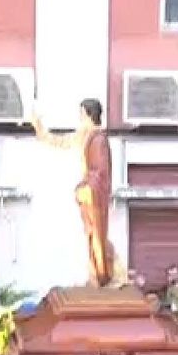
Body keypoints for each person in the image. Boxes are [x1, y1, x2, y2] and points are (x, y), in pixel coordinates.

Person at [32, 99, 115, 287]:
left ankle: (102, 276)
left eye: (81, 113)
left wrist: (87, 186)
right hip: (88, 194)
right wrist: (41, 130)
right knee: (90, 234)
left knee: (97, 234)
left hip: (94, 195)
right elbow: (62, 141)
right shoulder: (85, 136)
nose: (79, 117)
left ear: (88, 114)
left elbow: (101, 171)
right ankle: (97, 273)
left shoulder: (98, 139)